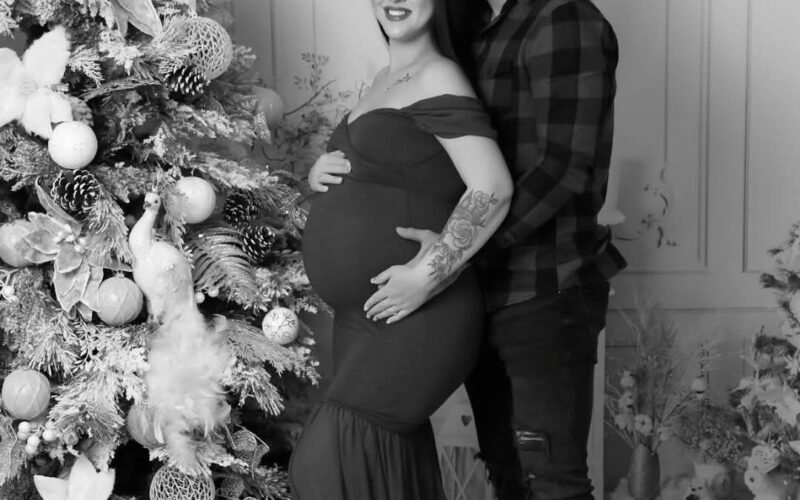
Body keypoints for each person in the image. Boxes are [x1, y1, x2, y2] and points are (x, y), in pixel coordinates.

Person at [308, 0, 627, 499]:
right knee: (507, 470)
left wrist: (448, 260)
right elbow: (426, 152)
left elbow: (562, 169)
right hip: (481, 293)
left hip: (543, 290)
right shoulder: (478, 26)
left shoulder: (562, 18)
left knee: (550, 478)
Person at [288, 0, 513, 498]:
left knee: (324, 466)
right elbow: (396, 170)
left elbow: (492, 187)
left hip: (416, 314)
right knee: (384, 471)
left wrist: (428, 275)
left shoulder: (439, 75)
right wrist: (321, 172)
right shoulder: (384, 78)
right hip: (364, 319)